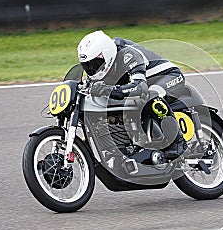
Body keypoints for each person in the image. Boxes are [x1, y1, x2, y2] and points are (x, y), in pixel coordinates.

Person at [77, 30, 187, 159]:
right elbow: (88, 87)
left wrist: (113, 90)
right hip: (144, 83)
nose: (91, 69)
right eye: (87, 66)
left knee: (150, 95)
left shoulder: (127, 54)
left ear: (106, 55)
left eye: (94, 64)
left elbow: (140, 87)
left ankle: (177, 142)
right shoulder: (97, 71)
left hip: (168, 77)